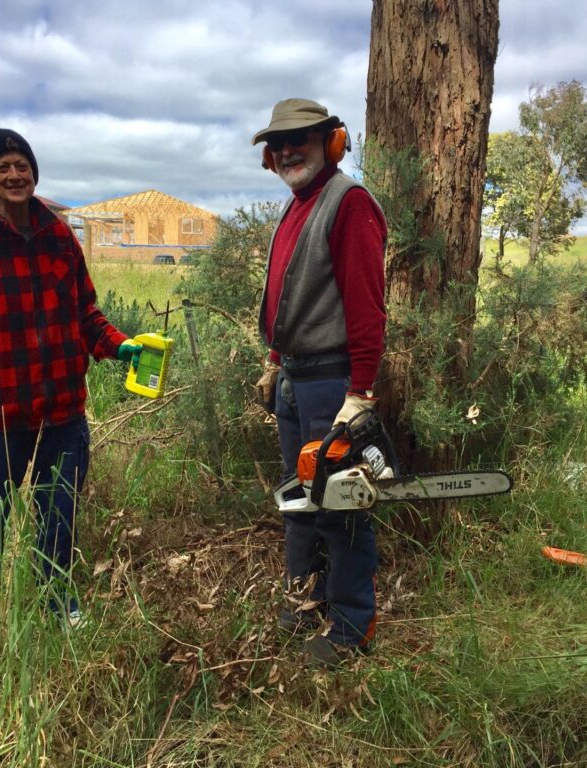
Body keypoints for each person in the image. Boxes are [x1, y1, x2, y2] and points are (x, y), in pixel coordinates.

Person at [0, 128, 142, 633]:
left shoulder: (59, 237)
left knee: (58, 518)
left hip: (61, 412)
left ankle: (56, 600)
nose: (14, 174)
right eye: (3, 167)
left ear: (34, 172)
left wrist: (118, 344)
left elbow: (84, 312)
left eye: (21, 164)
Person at [252, 99, 389, 668]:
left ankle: (353, 621)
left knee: (339, 501)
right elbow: (293, 297)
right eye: (279, 143)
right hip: (295, 376)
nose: (287, 150)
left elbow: (366, 310)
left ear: (330, 142)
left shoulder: (347, 203)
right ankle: (309, 596)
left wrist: (359, 394)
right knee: (300, 497)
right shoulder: (297, 206)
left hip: (332, 380)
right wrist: (275, 360)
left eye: (302, 139)